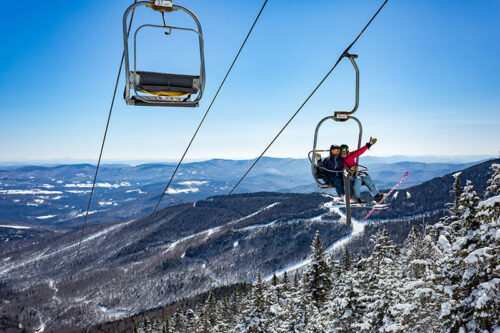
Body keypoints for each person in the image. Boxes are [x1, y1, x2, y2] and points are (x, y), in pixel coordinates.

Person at [340, 138, 384, 204]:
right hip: (348, 175)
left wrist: (369, 145)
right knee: (358, 180)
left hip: (356, 173)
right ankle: (357, 198)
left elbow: (360, 151)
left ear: (347, 150)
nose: (343, 151)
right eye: (341, 150)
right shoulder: (338, 159)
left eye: (344, 150)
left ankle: (376, 196)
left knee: (367, 178)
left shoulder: (351, 155)